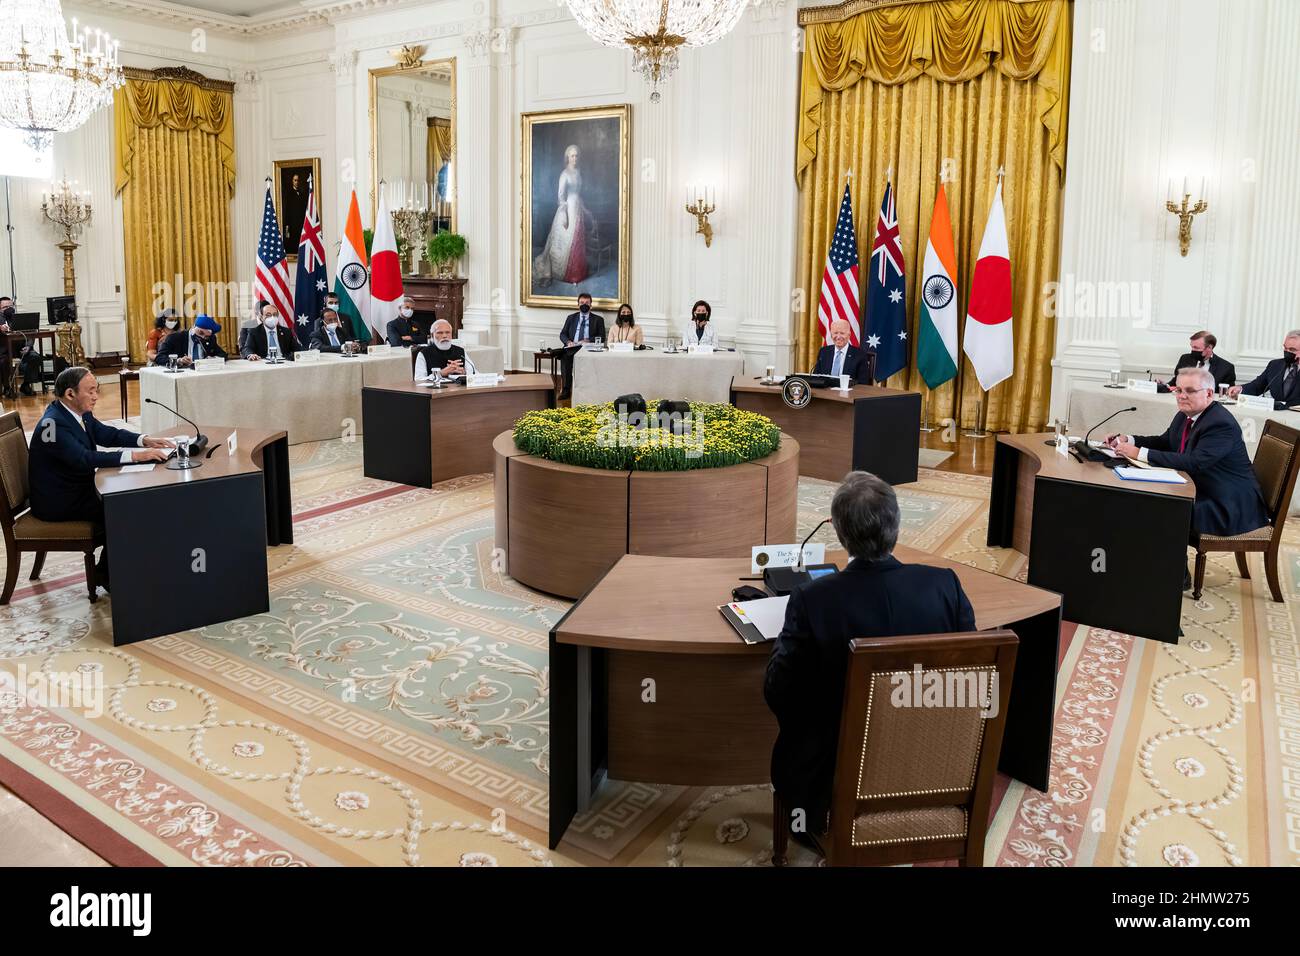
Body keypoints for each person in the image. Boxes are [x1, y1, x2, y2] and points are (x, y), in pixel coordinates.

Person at [763, 471, 975, 848]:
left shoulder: (814, 600)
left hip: (833, 780)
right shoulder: (945, 585)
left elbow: (779, 693)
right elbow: (969, 683)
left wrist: (784, 642)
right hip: (934, 764)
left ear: (840, 533)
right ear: (896, 526)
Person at [1107, 366, 1268, 573]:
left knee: (1164, 506)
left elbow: (1195, 462)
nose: (1181, 396)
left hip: (1228, 502)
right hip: (1204, 487)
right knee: (1147, 499)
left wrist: (1138, 453)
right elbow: (1165, 441)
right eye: (1179, 390)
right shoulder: (1186, 414)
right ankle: (1150, 564)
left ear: (1209, 393)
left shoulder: (1220, 423)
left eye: (1190, 391)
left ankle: (1176, 575)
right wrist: (1128, 439)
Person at [27, 367, 173, 591]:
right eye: (91, 391)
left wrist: (145, 440)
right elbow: (84, 459)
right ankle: (106, 575)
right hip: (59, 501)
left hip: (76, 489)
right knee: (126, 508)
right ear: (70, 394)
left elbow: (106, 433)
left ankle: (118, 569)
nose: (96, 396)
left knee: (132, 501)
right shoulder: (53, 425)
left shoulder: (76, 413)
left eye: (97, 390)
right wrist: (135, 456)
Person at [533, 143, 591, 288]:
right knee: (566, 241)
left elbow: (579, 195)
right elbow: (560, 197)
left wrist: (586, 210)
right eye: (572, 155)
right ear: (567, 157)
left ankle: (577, 273)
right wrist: (564, 214)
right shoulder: (564, 174)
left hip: (577, 209)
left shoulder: (578, 172)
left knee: (577, 240)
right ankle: (567, 273)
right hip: (568, 209)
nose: (575, 158)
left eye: (576, 155)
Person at [1228, 330, 1300, 407]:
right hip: (1276, 414)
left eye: (1292, 350)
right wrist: (1240, 389)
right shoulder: (1275, 365)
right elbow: (1257, 386)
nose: (1287, 352)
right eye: (1285, 348)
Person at [557, 292, 605, 399]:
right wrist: (568, 342)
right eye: (582, 302)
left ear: (591, 305)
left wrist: (588, 340)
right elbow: (562, 334)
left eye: (587, 303)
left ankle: (590, 390)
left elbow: (602, 337)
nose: (584, 305)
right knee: (565, 358)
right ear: (578, 304)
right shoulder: (571, 318)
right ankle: (566, 390)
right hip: (572, 347)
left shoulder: (598, 320)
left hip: (588, 349)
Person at [1156, 331, 1235, 391]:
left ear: (1209, 348)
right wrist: (1165, 385)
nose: (1192, 350)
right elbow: (1175, 382)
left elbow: (1227, 394)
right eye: (1192, 347)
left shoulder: (1226, 368)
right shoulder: (1185, 359)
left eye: (1196, 348)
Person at [0, 296, 46, 395]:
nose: (9, 309)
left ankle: (26, 385)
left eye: (11, 306)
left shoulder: (20, 318)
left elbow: (31, 333)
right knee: (3, 362)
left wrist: (28, 346)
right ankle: (7, 387)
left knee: (35, 357)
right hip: (5, 352)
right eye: (5, 307)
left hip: (21, 349)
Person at [154, 314, 226, 367]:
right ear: (194, 326)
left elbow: (223, 354)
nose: (202, 337)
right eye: (200, 332)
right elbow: (159, 358)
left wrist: (213, 359)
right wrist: (179, 361)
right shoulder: (175, 338)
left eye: (206, 336)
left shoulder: (211, 339)